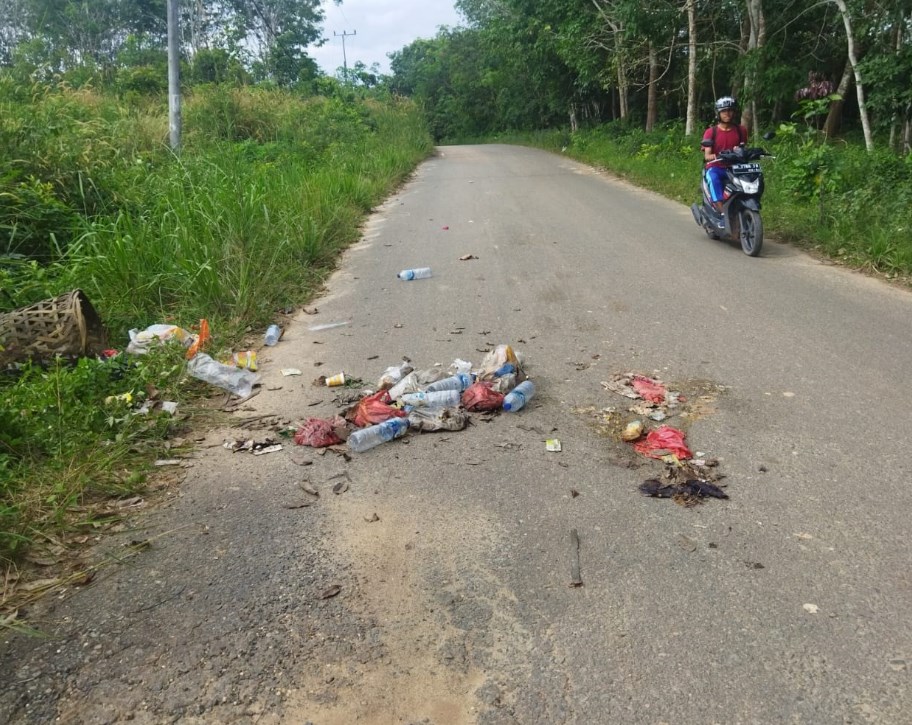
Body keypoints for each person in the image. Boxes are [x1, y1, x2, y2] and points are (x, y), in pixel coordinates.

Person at [701, 96, 749, 218]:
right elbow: (707, 153)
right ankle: (720, 209)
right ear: (718, 113)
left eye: (730, 110)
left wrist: (740, 150)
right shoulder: (711, 132)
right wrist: (711, 155)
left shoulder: (741, 130)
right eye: (723, 111)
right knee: (713, 178)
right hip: (717, 166)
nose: (727, 113)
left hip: (735, 167)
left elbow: (743, 147)